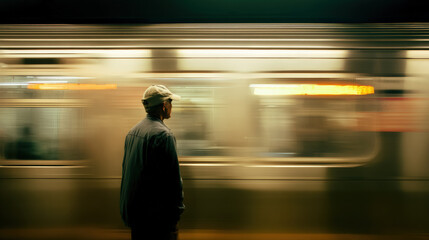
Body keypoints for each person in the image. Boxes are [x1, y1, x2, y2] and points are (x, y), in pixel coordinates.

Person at [120, 85, 185, 240]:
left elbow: (126, 172)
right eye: (170, 102)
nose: (172, 106)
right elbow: (173, 180)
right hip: (158, 220)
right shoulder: (164, 135)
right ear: (164, 106)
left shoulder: (133, 132)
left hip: (138, 216)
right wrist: (176, 213)